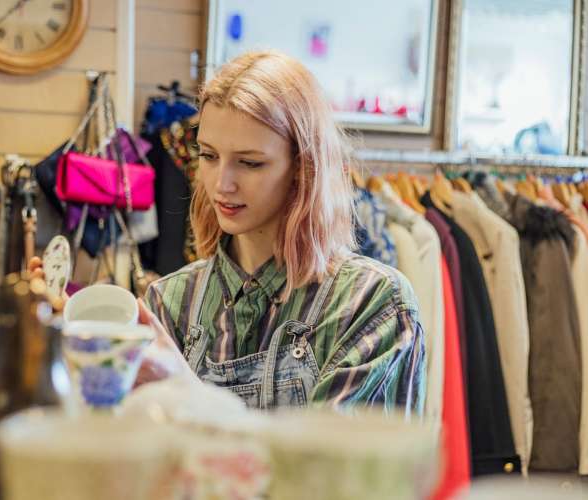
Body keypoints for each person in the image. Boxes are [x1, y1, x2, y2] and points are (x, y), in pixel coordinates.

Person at [32, 50, 426, 416]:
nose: (222, 184)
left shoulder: (370, 305)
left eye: (250, 163)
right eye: (208, 155)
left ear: (303, 169)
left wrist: (186, 393)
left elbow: (336, 477)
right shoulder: (168, 302)